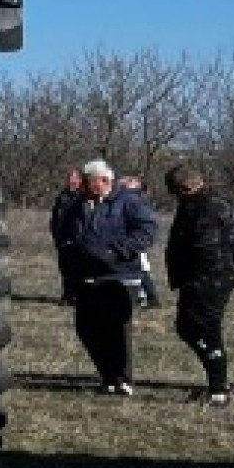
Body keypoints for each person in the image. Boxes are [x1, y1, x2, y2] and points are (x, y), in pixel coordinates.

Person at [53, 159, 158, 395]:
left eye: (86, 182)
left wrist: (116, 251)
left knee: (117, 330)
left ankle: (122, 380)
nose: (81, 186)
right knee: (86, 328)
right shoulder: (77, 204)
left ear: (103, 181)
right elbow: (64, 231)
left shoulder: (129, 202)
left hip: (119, 275)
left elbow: (147, 232)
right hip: (86, 276)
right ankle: (107, 375)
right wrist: (70, 250)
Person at [165, 164, 234, 404]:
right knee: (191, 328)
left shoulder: (208, 207)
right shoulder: (194, 205)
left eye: (175, 191)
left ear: (185, 188)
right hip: (200, 278)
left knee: (203, 329)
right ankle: (218, 384)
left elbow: (206, 248)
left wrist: (195, 279)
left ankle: (219, 388)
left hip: (208, 279)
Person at [121, 176, 163, 307]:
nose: (123, 184)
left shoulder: (136, 200)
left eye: (128, 182)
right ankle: (141, 296)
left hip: (134, 239)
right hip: (131, 238)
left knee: (141, 269)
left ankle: (151, 297)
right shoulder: (132, 198)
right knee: (137, 269)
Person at [50, 168, 84, 303]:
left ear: (80, 180)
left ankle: (78, 295)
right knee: (65, 268)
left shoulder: (83, 196)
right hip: (62, 238)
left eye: (75, 178)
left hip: (78, 239)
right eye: (70, 177)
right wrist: (56, 235)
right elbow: (55, 218)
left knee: (78, 269)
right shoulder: (62, 196)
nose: (72, 180)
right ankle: (67, 295)